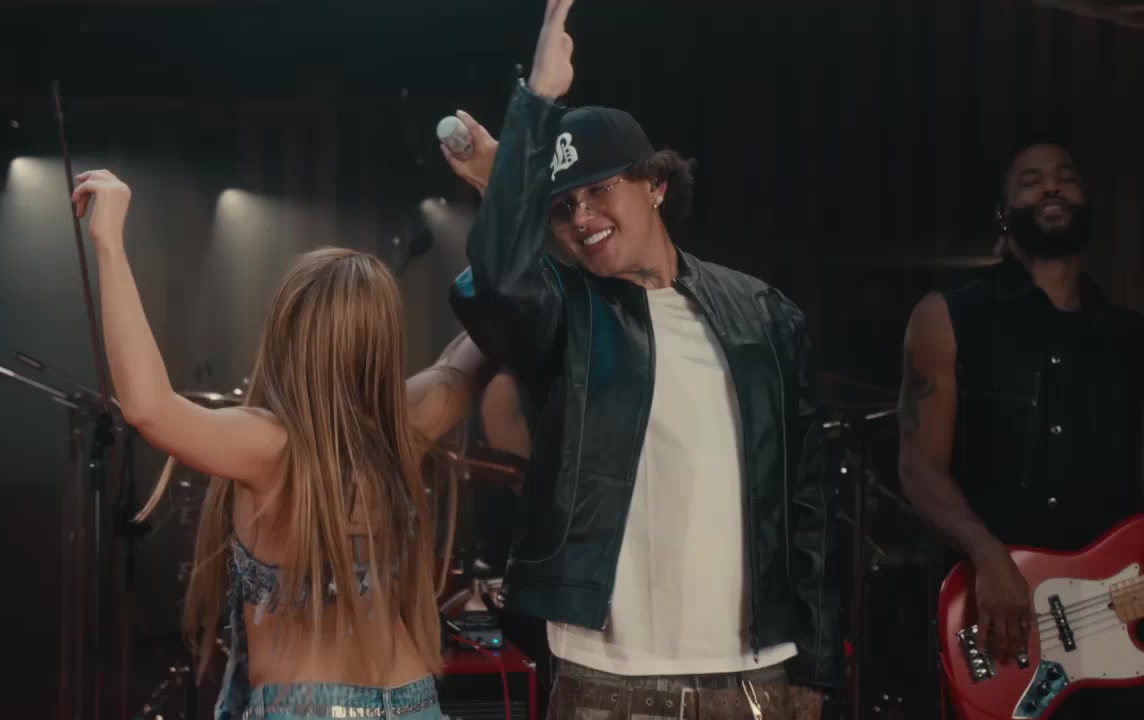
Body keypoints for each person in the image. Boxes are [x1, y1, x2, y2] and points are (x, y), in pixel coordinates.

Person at [442, 1, 842, 717]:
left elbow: (807, 499)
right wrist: (535, 105)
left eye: (600, 189)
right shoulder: (565, 312)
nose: (582, 218)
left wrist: (815, 667)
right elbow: (498, 278)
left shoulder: (763, 313)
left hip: (755, 673)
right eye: (562, 207)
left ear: (655, 183)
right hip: (605, 675)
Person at [71, 169, 491, 720]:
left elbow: (150, 408)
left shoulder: (269, 445)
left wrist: (109, 245)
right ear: (384, 342)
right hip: (413, 701)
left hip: (312, 706)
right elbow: (478, 343)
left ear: (286, 332)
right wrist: (504, 206)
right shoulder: (407, 425)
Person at [898, 141, 1144, 717]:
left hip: (1115, 632)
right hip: (997, 627)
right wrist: (988, 556)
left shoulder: (1130, 338)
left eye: (1066, 176)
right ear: (1003, 214)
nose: (1052, 186)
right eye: (1032, 181)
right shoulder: (948, 317)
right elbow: (918, 468)